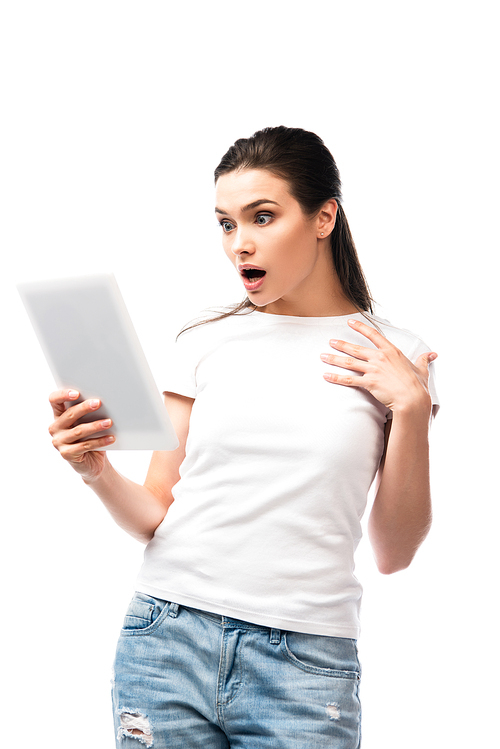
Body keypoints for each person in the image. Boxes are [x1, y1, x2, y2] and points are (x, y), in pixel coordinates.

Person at [48, 126, 439, 749]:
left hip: (305, 661)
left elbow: (394, 553)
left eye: (263, 217)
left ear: (323, 217)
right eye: (226, 224)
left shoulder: (397, 356)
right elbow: (156, 513)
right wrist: (95, 470)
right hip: (166, 637)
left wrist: (412, 408)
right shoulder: (203, 340)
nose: (240, 244)